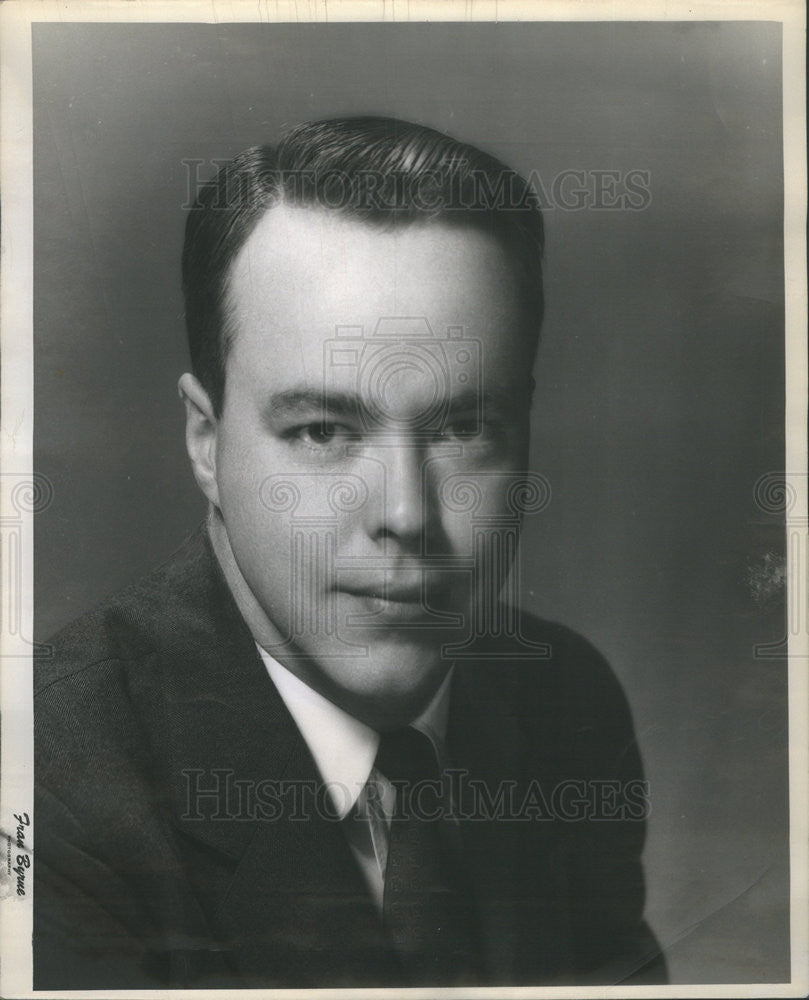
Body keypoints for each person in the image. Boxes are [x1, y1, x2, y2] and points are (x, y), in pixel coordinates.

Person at [34, 116, 667, 989]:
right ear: (206, 443)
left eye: (461, 428)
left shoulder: (566, 702)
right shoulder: (43, 776)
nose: (405, 514)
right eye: (324, 430)